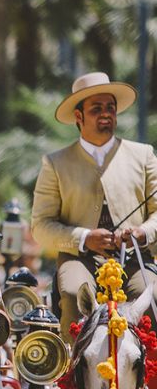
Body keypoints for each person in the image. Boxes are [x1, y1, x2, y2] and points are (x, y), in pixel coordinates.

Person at [31, 72, 157, 335]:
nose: (106, 114)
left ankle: (150, 375)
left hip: (134, 259)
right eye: (96, 109)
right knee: (74, 293)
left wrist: (142, 233)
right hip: (80, 259)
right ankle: (72, 372)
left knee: (151, 295)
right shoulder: (55, 163)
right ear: (79, 117)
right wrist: (85, 237)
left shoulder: (143, 155)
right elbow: (40, 226)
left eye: (110, 108)